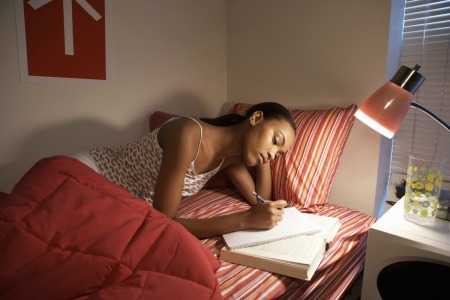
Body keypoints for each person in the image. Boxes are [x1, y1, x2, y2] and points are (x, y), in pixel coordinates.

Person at [74, 102, 296, 239]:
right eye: (276, 140)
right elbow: (166, 220)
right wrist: (244, 220)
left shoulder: (231, 160)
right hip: (89, 175)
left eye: (279, 153)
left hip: (119, 203)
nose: (273, 153)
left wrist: (266, 155)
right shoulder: (188, 133)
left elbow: (261, 201)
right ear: (255, 118)